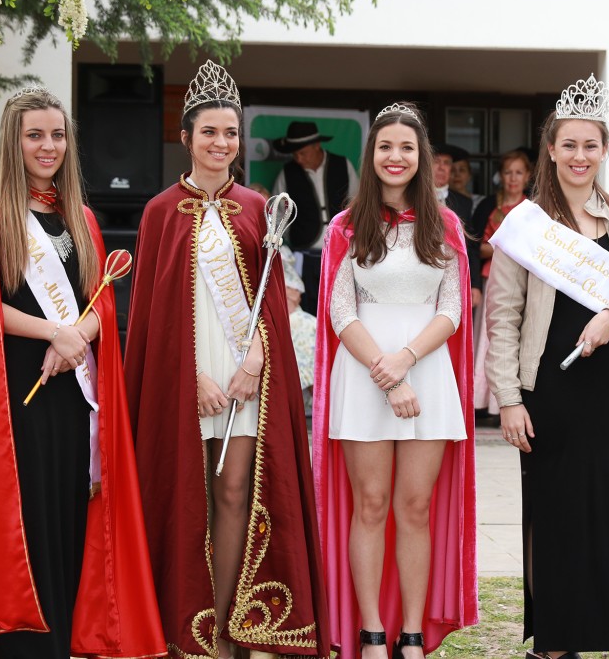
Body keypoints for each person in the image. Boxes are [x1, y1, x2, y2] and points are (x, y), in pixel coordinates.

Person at [0, 85, 164, 658]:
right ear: (15, 142)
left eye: (57, 135)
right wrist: (55, 332)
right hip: (14, 398)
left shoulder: (81, 218)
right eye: (35, 135)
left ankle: (60, 644)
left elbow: (101, 304)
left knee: (68, 517)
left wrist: (78, 334)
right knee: (23, 524)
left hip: (73, 393)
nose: (48, 146)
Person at [124, 61, 329, 659]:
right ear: (185, 137)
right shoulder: (160, 212)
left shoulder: (258, 207)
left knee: (236, 490)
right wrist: (189, 378)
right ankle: (188, 628)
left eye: (231, 133)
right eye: (209, 132)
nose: (221, 143)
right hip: (188, 375)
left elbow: (271, 302)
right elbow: (152, 317)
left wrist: (258, 358)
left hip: (245, 375)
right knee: (189, 494)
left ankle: (226, 627)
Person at [485, 75, 609, 658]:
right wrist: (508, 398)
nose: (579, 155)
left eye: (590, 145)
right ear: (551, 149)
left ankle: (581, 634)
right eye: (569, 144)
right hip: (548, 394)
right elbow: (502, 317)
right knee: (554, 517)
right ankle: (554, 644)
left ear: (604, 150)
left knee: (601, 515)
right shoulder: (526, 223)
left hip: (607, 393)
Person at [313, 101, 477, 659]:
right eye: (386, 146)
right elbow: (340, 312)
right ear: (372, 154)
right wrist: (387, 375)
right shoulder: (346, 225)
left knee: (415, 507)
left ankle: (410, 632)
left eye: (407, 147)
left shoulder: (445, 225)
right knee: (371, 503)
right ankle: (371, 633)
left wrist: (405, 360)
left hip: (427, 372)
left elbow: (452, 309)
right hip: (363, 373)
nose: (396, 156)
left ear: (421, 157)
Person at [273, 120, 359, 315]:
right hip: (305, 256)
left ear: (317, 145)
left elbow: (356, 204)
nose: (298, 159)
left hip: (340, 253)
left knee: (339, 307)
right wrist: (291, 239)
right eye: (295, 154)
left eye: (303, 153)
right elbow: (278, 214)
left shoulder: (342, 165)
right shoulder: (287, 173)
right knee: (308, 309)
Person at [473, 150, 533, 421]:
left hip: (522, 282)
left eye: (519, 172)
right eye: (508, 172)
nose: (513, 178)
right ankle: (482, 400)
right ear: (500, 175)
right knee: (489, 337)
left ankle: (507, 402)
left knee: (515, 336)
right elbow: (477, 246)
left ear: (527, 176)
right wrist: (506, 247)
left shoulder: (533, 208)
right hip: (491, 279)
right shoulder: (489, 205)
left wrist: (499, 246)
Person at [434, 142, 482, 306]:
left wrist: (475, 285)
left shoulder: (463, 202)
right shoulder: (414, 198)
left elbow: (470, 246)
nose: (442, 167)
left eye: (447, 163)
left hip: (453, 276)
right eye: (436, 162)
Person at [281, 245, 317, 418]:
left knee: (306, 324)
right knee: (303, 324)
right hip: (282, 316)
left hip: (292, 314)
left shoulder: (283, 255)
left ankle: (318, 401)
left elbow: (294, 297)